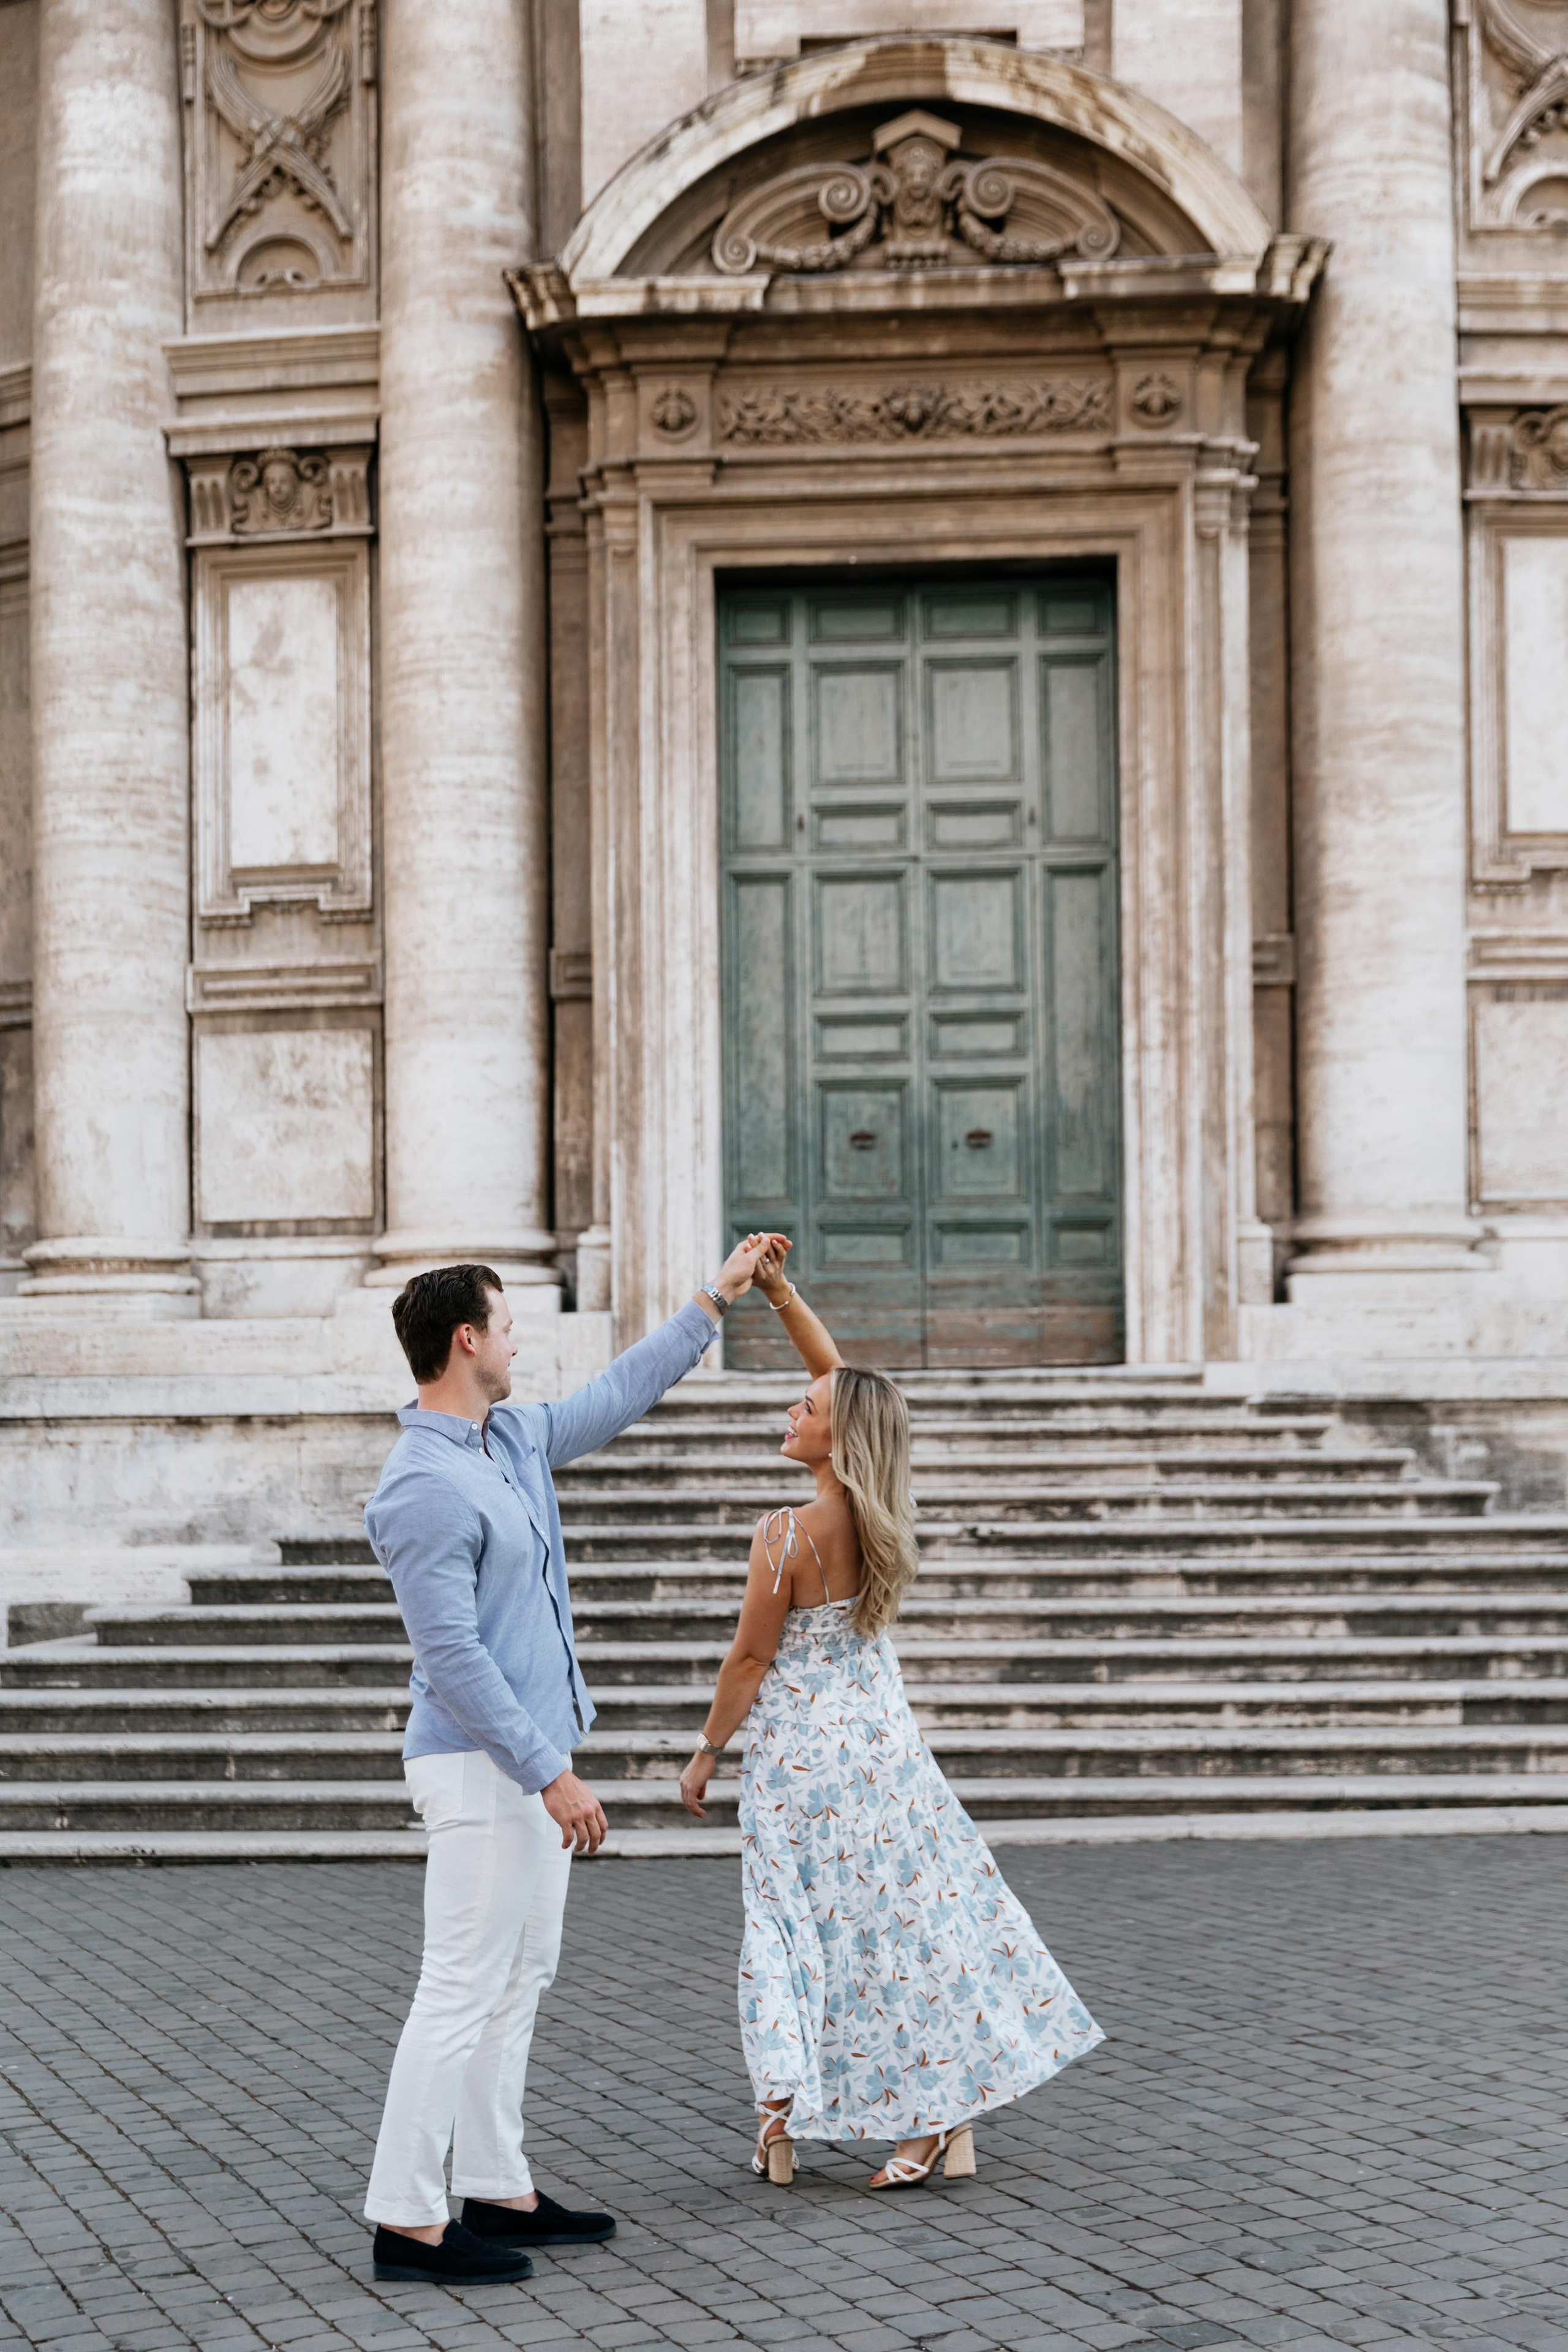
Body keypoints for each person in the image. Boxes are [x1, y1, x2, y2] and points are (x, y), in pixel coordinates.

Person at [363, 1238, 769, 2285]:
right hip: (481, 1768)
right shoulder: (421, 1484)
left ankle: (496, 2188)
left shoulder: (510, 1438)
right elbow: (450, 1658)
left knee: (518, 1978)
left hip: (529, 1765)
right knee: (456, 1988)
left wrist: (711, 1300)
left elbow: (617, 1395)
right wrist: (550, 1771)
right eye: (506, 1323)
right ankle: (406, 2219)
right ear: (467, 1340)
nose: (518, 1339)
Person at [679, 1238, 1104, 2191]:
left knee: (791, 1930)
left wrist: (707, 1751)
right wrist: (783, 1298)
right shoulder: (882, 1512)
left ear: (834, 1438)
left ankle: (789, 2116)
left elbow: (751, 1658)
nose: (793, 1406)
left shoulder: (784, 1534)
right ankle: (934, 2115)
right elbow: (851, 1390)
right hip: (882, 1743)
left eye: (804, 1409)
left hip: (800, 1759)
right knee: (902, 1925)